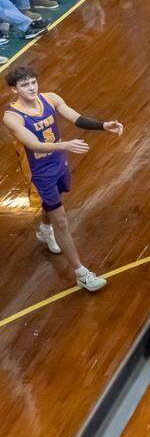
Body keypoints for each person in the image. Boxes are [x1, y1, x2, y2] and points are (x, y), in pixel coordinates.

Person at [3, 65, 122, 292]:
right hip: (39, 170)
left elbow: (76, 118)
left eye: (33, 82)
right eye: (24, 84)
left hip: (58, 162)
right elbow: (33, 143)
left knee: (55, 201)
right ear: (13, 90)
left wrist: (103, 125)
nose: (31, 87)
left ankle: (44, 231)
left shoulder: (50, 98)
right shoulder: (11, 117)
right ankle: (81, 273)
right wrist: (65, 145)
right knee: (62, 220)